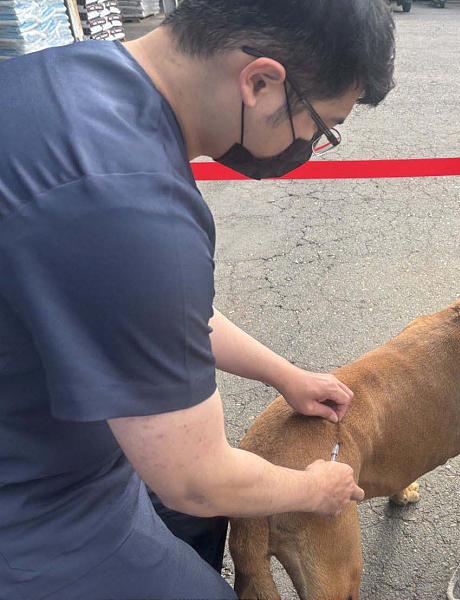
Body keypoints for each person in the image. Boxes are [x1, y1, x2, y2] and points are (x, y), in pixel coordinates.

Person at [0, 1, 395, 598]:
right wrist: (318, 488)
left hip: (44, 428)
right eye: (320, 126)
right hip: (39, 508)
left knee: (196, 525)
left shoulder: (69, 75)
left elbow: (153, 311)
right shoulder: (132, 206)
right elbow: (195, 479)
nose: (310, 144)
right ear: (260, 83)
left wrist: (285, 375)